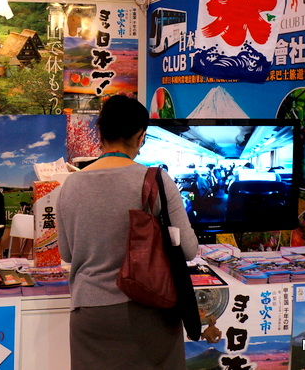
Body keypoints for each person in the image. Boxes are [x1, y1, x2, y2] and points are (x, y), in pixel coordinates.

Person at [56, 95, 199, 370]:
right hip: (150, 309)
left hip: (91, 314)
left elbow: (67, 253)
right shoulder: (157, 180)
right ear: (140, 136)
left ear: (100, 133)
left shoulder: (70, 185)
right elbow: (189, 250)